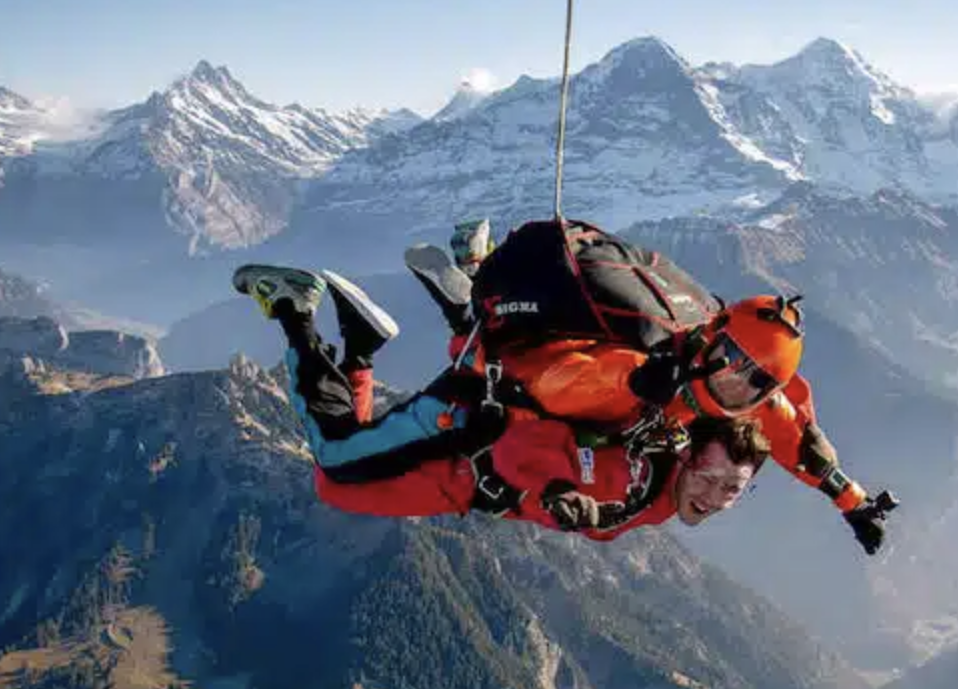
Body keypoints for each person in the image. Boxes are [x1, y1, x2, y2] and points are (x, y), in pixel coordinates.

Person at [402, 223, 898, 555]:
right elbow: (541, 382)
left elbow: (804, 451)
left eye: (756, 381)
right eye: (732, 364)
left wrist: (854, 504)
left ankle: (479, 281)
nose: (736, 381)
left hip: (604, 403)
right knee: (495, 370)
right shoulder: (652, 364)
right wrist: (633, 385)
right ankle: (471, 297)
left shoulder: (753, 399)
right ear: (714, 341)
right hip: (553, 378)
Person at [232, 263, 767, 539]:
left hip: (473, 443)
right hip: (462, 449)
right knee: (333, 463)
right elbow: (531, 456)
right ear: (689, 458)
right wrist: (561, 501)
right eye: (712, 478)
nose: (716, 496)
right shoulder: (638, 481)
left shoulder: (661, 449)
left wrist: (850, 499)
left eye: (733, 490)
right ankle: (293, 307)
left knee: (339, 479)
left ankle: (362, 345)